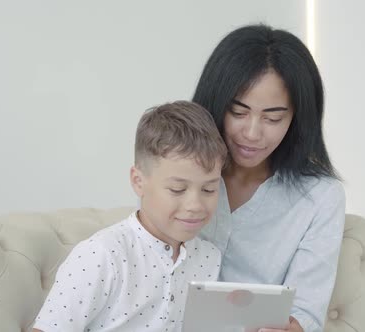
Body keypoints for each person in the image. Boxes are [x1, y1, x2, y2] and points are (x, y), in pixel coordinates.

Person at [192, 24, 346, 332]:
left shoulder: (320, 197)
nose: (251, 134)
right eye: (238, 112)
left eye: (273, 118)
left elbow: (306, 313)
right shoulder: (182, 174)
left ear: (297, 119)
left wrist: (294, 327)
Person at [32, 101, 228, 332]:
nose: (195, 205)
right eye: (177, 189)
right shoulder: (102, 255)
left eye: (209, 190)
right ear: (138, 181)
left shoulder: (209, 258)